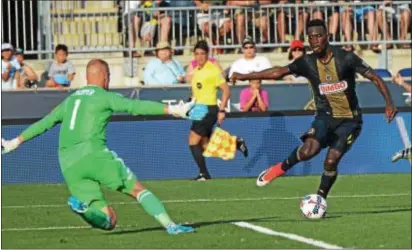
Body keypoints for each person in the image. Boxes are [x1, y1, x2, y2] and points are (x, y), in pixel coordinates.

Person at [1, 59, 202, 234]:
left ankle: (84, 210)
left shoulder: (71, 100)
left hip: (68, 163)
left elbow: (44, 123)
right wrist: (175, 109)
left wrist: (14, 142)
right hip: (93, 155)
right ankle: (171, 226)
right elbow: (135, 107)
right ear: (105, 77)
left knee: (109, 220)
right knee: (138, 190)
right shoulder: (103, 96)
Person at [230, 19, 398, 200]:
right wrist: (245, 76)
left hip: (350, 120)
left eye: (318, 36)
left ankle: (319, 198)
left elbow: (375, 77)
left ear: (327, 36)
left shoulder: (346, 58)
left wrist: (389, 103)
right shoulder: (307, 62)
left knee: (331, 161)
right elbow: (277, 72)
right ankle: (279, 169)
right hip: (325, 116)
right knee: (307, 152)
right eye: (311, 37)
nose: (315, 41)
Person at [189, 40, 247, 181]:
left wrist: (222, 110)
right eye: (197, 54)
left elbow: (226, 90)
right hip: (198, 110)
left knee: (192, 141)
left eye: (203, 53)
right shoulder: (196, 71)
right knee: (205, 145)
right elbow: (198, 92)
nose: (200, 57)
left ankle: (204, 174)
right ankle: (235, 143)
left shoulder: (213, 70)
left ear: (208, 54)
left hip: (208, 110)